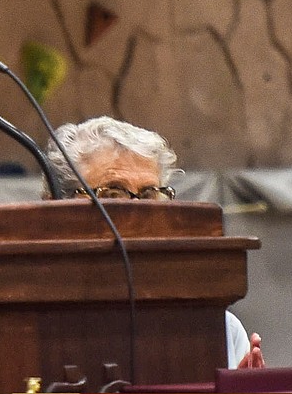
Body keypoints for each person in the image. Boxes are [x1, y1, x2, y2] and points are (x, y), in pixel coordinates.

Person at [45, 116, 265, 370]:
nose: (139, 213)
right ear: (56, 207)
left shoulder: (220, 329)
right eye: (113, 194)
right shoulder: (24, 322)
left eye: (150, 194)